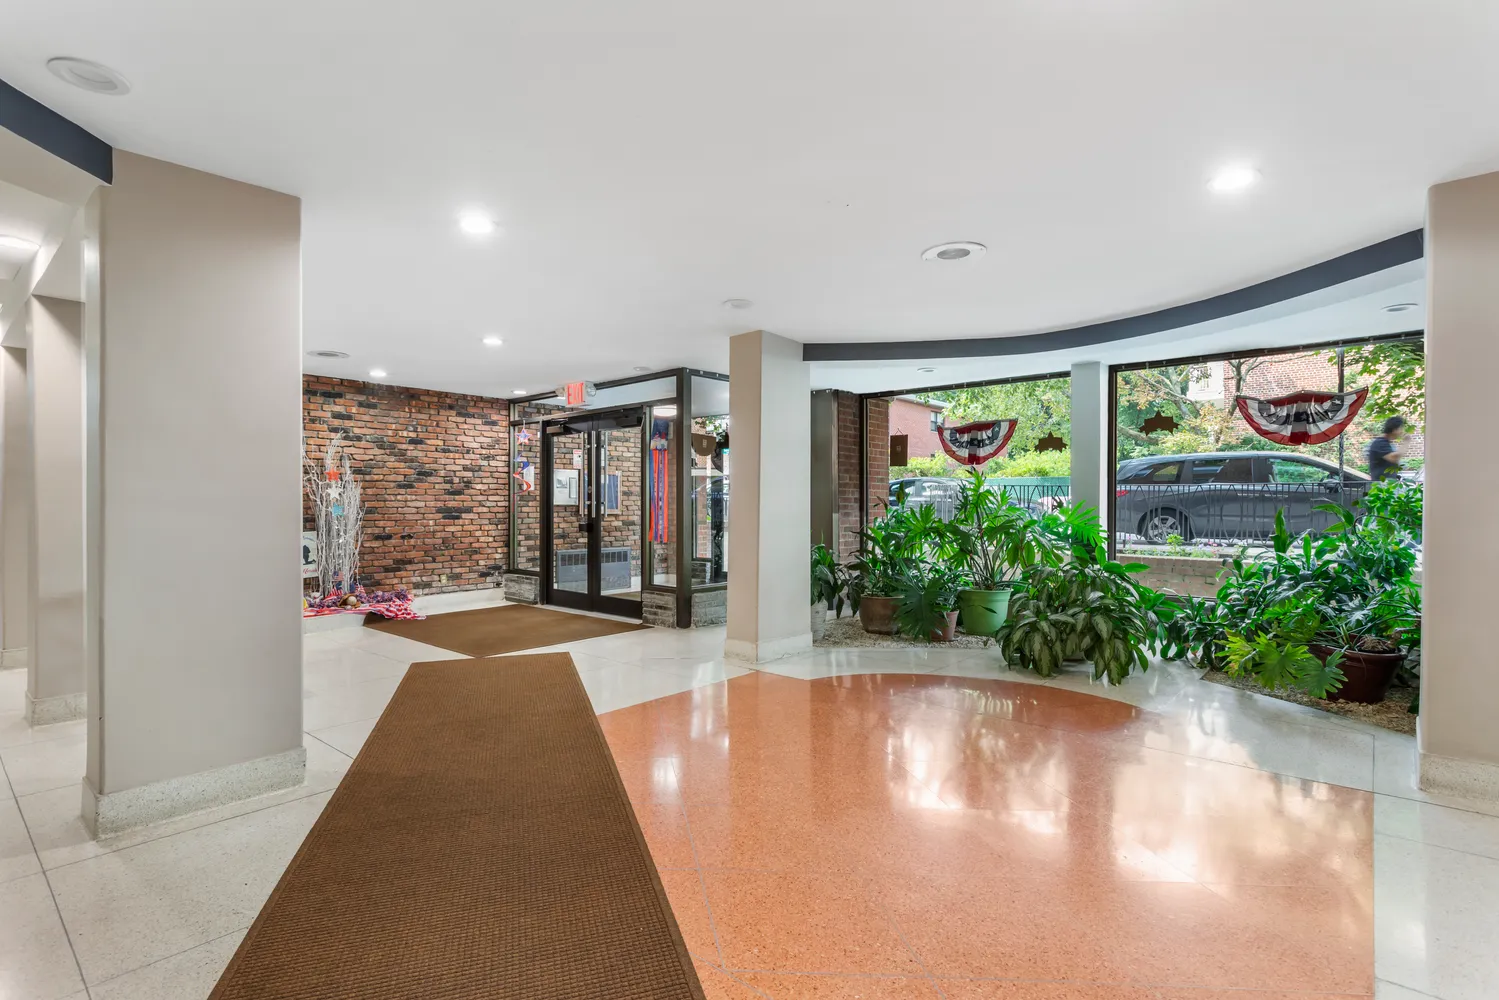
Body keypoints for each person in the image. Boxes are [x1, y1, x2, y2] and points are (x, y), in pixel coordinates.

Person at [1366, 416, 1406, 480]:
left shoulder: (1387, 443)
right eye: (1400, 428)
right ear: (1394, 429)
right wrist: (1406, 442)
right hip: (1381, 485)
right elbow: (1394, 458)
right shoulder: (1380, 443)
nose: (1401, 431)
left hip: (1387, 484)